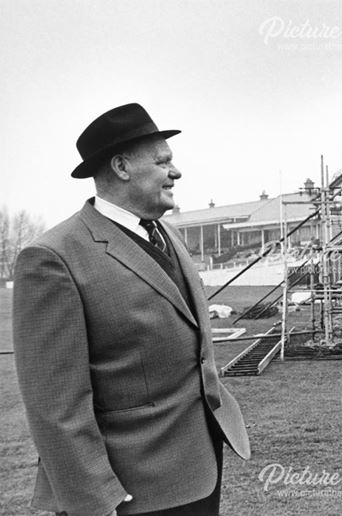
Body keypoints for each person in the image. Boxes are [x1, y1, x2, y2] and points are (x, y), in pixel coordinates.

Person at [13, 103, 250, 515]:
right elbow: (55, 405)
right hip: (129, 493)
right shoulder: (54, 257)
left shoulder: (167, 234)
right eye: (163, 161)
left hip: (199, 469)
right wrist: (97, 500)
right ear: (121, 167)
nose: (176, 172)